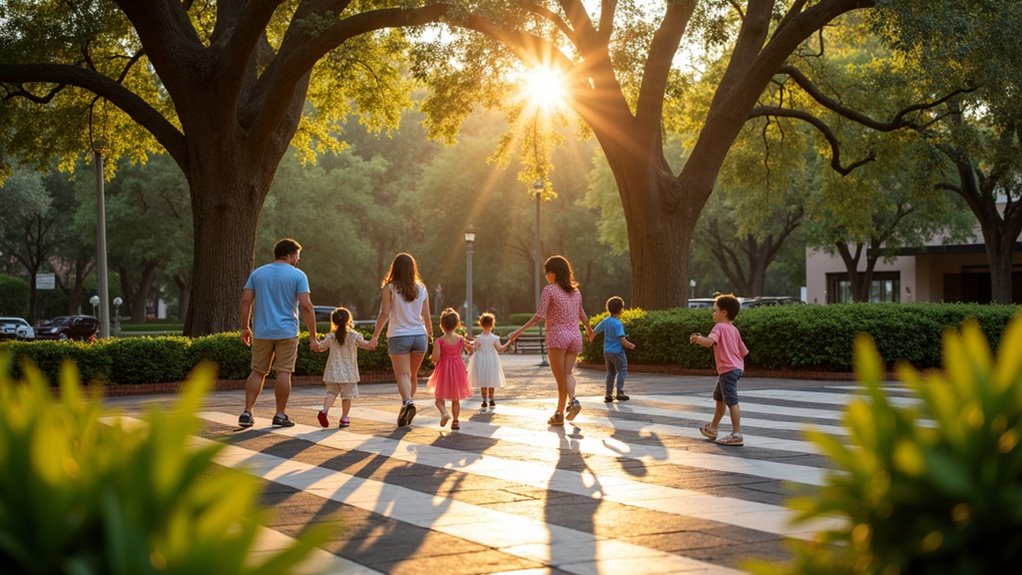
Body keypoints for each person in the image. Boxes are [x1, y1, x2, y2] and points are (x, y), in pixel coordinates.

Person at [238, 238, 318, 428]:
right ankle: (280, 415)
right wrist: (313, 335)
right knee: (284, 372)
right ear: (290, 255)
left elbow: (245, 301)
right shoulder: (298, 275)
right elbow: (306, 306)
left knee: (258, 371)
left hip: (262, 331)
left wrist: (245, 327)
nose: (298, 260)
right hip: (287, 332)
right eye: (297, 256)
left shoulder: (258, 273)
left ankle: (247, 412)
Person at [508, 255, 594, 427]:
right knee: (567, 374)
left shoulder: (549, 290)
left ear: (554, 273)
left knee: (560, 380)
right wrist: (589, 330)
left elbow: (539, 316)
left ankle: (560, 413)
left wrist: (518, 331)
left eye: (547, 272)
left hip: (557, 336)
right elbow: (582, 314)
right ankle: (572, 401)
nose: (546, 276)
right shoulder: (576, 292)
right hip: (575, 336)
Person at [369, 253, 432, 427]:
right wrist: (430, 334)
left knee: (403, 375)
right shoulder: (422, 288)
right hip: (419, 337)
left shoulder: (390, 288)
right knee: (411, 375)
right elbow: (426, 316)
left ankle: (408, 402)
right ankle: (406, 406)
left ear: (394, 268)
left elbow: (384, 313)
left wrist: (375, 336)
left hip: (399, 336)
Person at [689, 293, 749, 446]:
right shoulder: (734, 330)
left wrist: (698, 339)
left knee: (732, 401)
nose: (713, 313)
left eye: (715, 310)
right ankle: (713, 428)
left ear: (724, 312)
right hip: (735, 368)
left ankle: (737, 434)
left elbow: (709, 342)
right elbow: (744, 352)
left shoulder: (719, 327)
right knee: (720, 398)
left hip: (727, 370)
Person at [310, 307, 375, 428]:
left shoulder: (331, 336)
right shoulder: (354, 336)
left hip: (333, 372)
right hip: (349, 374)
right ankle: (344, 418)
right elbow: (366, 345)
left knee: (331, 393)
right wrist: (373, 342)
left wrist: (314, 343)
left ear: (334, 321)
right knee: (347, 397)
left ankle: (324, 411)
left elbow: (320, 347)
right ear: (349, 320)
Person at [426, 308, 473, 430]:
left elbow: (435, 358)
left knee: (439, 398)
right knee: (455, 398)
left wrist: (431, 357)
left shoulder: (440, 341)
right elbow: (470, 349)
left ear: (442, 324)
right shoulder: (460, 339)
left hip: (444, 370)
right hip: (458, 369)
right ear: (457, 324)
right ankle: (456, 421)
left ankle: (444, 413)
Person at [591, 296, 636, 402]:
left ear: (608, 308)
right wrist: (630, 345)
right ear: (621, 310)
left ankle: (608, 394)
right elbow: (622, 339)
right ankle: (620, 392)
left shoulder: (606, 321)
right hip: (617, 352)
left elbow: (595, 331)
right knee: (622, 369)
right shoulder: (618, 323)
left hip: (607, 352)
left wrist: (590, 337)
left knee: (610, 372)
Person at [467, 312, 512, 409]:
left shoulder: (478, 338)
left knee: (483, 380)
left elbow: (475, 349)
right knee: (492, 379)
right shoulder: (494, 338)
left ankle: (484, 400)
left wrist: (472, 346)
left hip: (480, 359)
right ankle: (491, 399)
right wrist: (509, 342)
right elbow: (500, 349)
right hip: (492, 359)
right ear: (492, 324)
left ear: (481, 324)